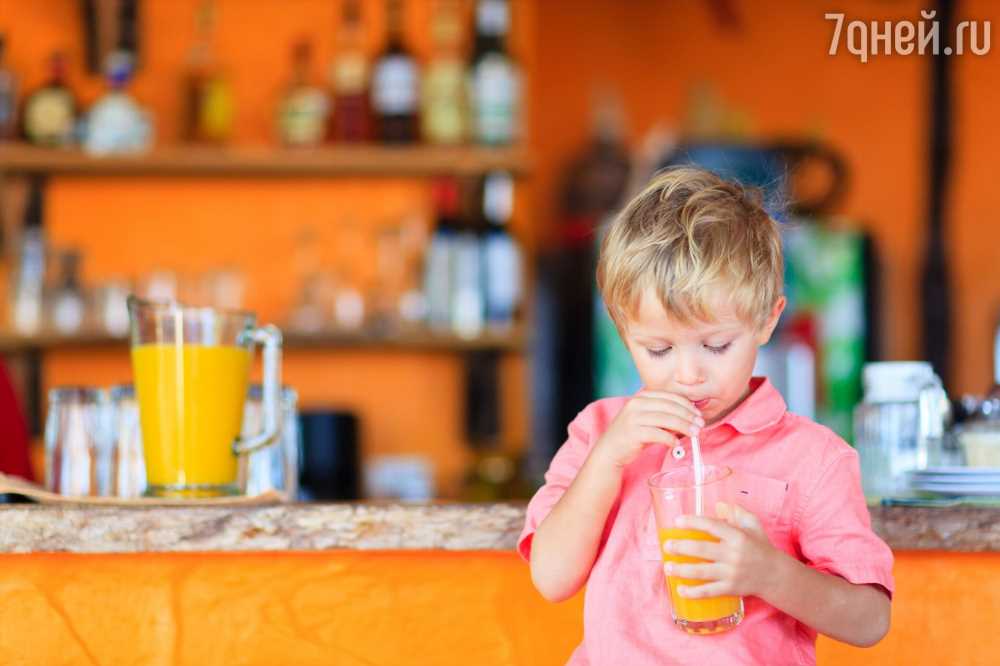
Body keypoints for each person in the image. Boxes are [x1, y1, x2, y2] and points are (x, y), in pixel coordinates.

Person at [519, 167, 892, 665]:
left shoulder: (813, 458)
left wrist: (770, 573)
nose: (688, 374)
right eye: (658, 349)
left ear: (767, 320)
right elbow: (551, 578)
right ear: (622, 329)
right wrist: (606, 460)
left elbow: (870, 620)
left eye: (716, 345)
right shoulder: (599, 434)